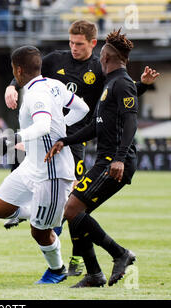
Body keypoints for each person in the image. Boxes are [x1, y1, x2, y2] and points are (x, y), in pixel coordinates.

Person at [3, 19, 159, 276]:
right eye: (71, 42)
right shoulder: (56, 60)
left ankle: (82, 260)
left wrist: (141, 85)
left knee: (72, 205)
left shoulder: (107, 74)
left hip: (86, 145)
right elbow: (27, 71)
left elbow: (127, 103)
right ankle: (27, 212)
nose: (74, 48)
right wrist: (12, 85)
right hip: (57, 136)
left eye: (79, 44)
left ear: (95, 46)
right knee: (67, 200)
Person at [45, 29, 139, 288]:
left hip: (113, 163)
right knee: (76, 211)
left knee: (72, 210)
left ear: (106, 58)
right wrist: (65, 140)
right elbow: (96, 127)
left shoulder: (122, 83)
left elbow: (131, 121)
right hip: (104, 161)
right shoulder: (110, 84)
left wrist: (119, 158)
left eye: (100, 57)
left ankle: (120, 254)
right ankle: (94, 274)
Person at [0, 46, 89, 284]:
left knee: (40, 232)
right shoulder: (54, 84)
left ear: (18, 69)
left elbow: (43, 126)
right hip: (31, 165)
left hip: (51, 171)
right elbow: (83, 108)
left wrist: (14, 139)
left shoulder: (36, 94)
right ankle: (36, 213)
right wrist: (62, 128)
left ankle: (57, 270)